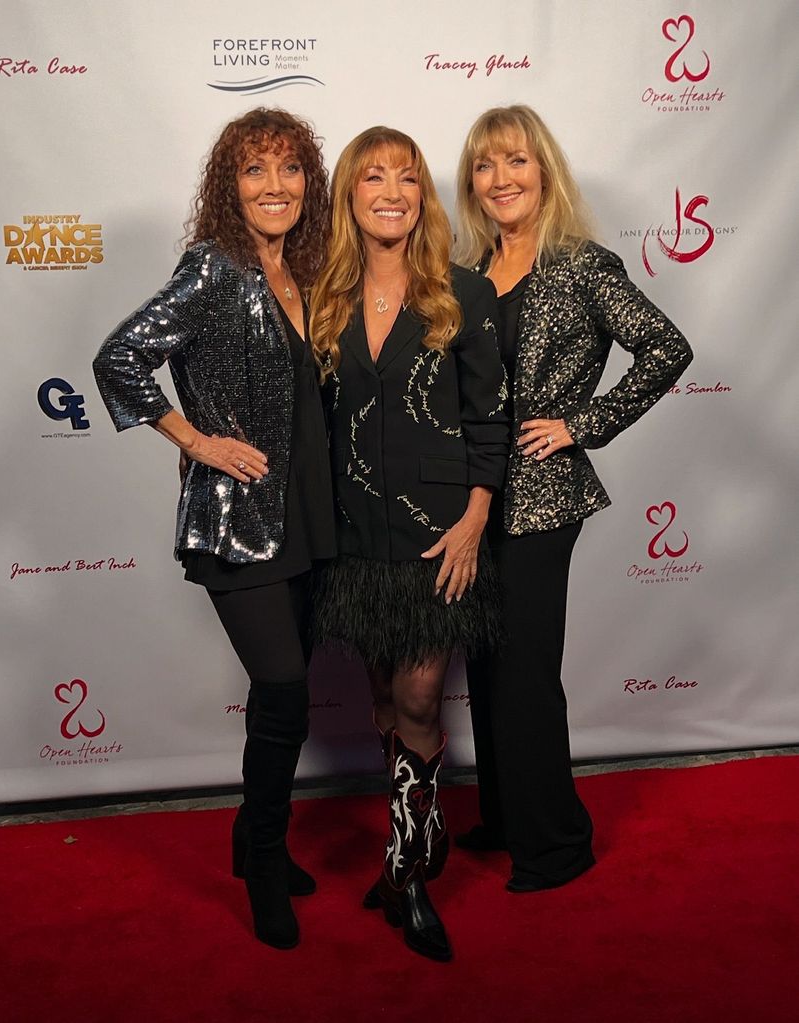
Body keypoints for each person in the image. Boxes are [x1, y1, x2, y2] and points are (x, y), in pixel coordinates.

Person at [93, 108, 334, 950]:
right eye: (254, 172)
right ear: (228, 188)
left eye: (290, 169)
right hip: (237, 522)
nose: (276, 187)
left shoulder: (303, 269)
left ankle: (248, 837)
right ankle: (263, 857)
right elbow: (118, 355)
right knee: (284, 694)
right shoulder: (214, 267)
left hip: (308, 514)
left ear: (311, 180)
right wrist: (193, 439)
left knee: (286, 695)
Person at [454, 104, 693, 893]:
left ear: (544, 171)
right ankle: (503, 816)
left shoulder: (581, 265)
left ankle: (555, 844)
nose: (500, 179)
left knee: (524, 671)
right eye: (485, 166)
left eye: (515, 161)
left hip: (543, 498)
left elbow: (667, 347)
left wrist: (582, 423)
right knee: (485, 665)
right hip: (471, 499)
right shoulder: (469, 270)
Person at [310, 127, 508, 962]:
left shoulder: (464, 293)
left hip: (439, 537)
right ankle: (410, 850)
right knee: (387, 703)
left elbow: (489, 416)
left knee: (422, 701)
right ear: (349, 194)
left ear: (422, 196)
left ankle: (409, 872)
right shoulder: (320, 297)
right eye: (372, 176)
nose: (391, 190)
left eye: (407, 177)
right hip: (357, 537)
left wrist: (473, 519)